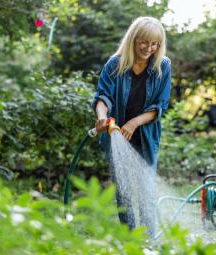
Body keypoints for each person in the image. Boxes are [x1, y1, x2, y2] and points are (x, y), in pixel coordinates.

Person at [91, 16, 171, 237]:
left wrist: (133, 123)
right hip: (116, 136)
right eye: (144, 42)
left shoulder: (162, 66)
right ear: (133, 39)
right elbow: (102, 97)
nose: (149, 48)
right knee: (124, 192)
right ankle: (131, 241)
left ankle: (150, 240)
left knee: (146, 190)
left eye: (155, 43)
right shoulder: (114, 64)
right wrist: (102, 117)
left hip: (146, 137)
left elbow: (160, 106)